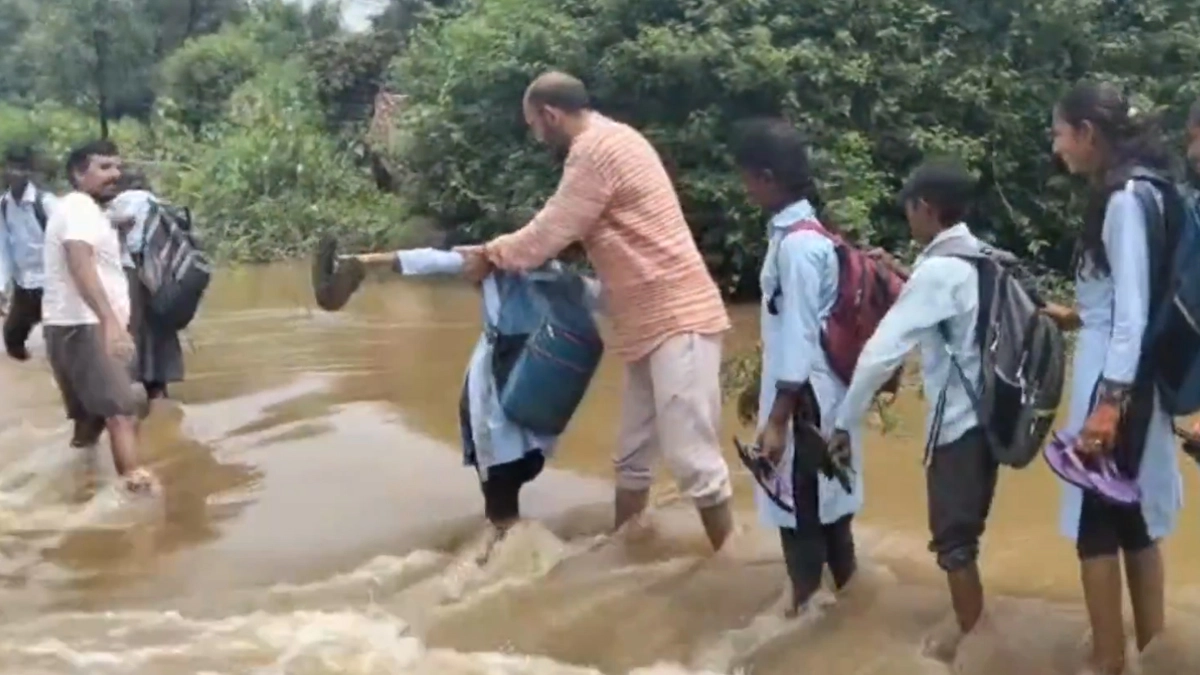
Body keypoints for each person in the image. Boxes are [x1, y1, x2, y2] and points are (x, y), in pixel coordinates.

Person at [459, 71, 735, 551]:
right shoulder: (617, 139)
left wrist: (490, 253)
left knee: (692, 458)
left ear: (549, 115)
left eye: (534, 126)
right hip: (646, 324)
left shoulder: (596, 150)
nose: (536, 136)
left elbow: (549, 232)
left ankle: (731, 561)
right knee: (631, 457)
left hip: (678, 317)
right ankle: (623, 553)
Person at [829, 160, 992, 661]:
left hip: (960, 426)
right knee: (964, 534)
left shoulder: (940, 272)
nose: (908, 219)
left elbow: (882, 351)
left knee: (953, 544)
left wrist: (842, 421)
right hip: (993, 418)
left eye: (910, 210)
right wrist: (904, 274)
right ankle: (979, 633)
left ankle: (976, 651)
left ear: (924, 207)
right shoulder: (979, 255)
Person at [1047, 81, 1182, 675]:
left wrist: (1107, 406)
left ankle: (1107, 662)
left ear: (1087, 133)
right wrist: (1081, 314)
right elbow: (1138, 297)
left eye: (1059, 133)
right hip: (1143, 377)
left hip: (1117, 381)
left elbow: (1131, 312)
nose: (1057, 148)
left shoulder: (1125, 200)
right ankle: (1155, 655)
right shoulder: (1157, 191)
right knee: (1135, 522)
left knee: (1095, 529)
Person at [346, 245, 603, 557]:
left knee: (499, 500)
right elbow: (615, 300)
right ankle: (512, 553)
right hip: (535, 407)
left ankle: (500, 561)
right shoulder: (569, 286)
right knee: (508, 485)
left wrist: (364, 263)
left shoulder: (503, 265)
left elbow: (432, 260)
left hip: (500, 404)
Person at [731, 118, 861, 616]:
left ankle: (804, 624)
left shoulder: (798, 246)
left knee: (800, 518)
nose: (746, 190)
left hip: (805, 406)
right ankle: (849, 624)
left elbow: (802, 333)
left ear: (765, 177)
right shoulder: (811, 235)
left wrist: (778, 420)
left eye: (747, 179)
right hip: (821, 398)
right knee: (831, 517)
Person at [42, 139, 153, 492]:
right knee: (122, 412)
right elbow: (80, 261)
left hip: (66, 325)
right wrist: (109, 322)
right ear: (78, 173)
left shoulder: (77, 208)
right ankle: (136, 498)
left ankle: (81, 486)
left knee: (89, 422)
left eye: (117, 167)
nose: (115, 174)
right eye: (104, 167)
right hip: (87, 326)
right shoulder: (79, 209)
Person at [108, 170, 185, 401]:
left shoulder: (120, 203)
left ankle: (129, 386)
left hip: (130, 272)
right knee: (160, 330)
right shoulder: (158, 204)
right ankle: (159, 391)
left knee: (133, 329)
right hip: (163, 274)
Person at [0, 144, 58, 361]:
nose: (14, 173)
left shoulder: (46, 203)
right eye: (10, 168)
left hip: (53, 283)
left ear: (30, 173)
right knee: (12, 338)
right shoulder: (4, 206)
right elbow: (3, 248)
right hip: (25, 284)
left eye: (21, 169)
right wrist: (1, 286)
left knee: (58, 341)